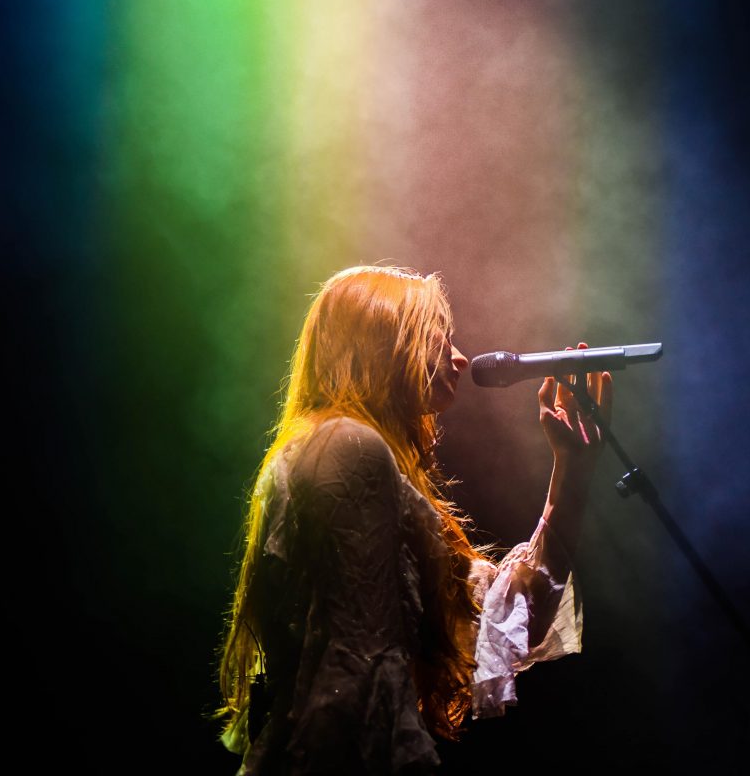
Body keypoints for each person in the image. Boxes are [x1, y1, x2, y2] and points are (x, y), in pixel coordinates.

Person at [217, 264, 612, 774]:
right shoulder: (346, 448)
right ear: (379, 340)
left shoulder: (356, 453)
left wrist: (572, 476)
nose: (460, 356)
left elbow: (502, 616)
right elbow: (360, 670)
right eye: (436, 336)